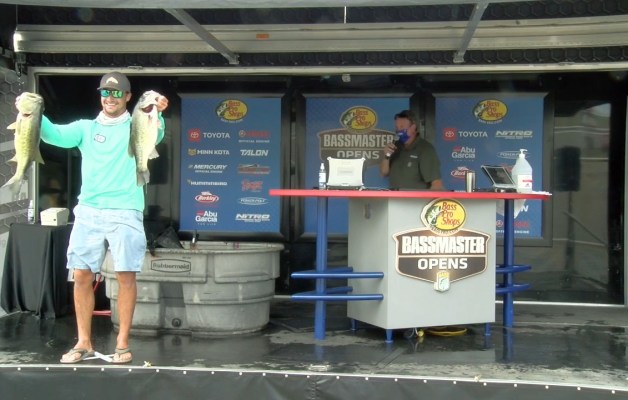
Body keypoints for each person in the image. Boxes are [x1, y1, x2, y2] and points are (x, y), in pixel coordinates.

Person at [37, 71, 169, 364]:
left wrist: (157, 109)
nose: (110, 97)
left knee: (125, 275)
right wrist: (33, 111)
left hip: (126, 209)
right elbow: (51, 134)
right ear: (100, 96)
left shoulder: (138, 122)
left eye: (117, 92)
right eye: (105, 92)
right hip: (89, 210)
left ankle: (122, 343)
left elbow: (157, 133)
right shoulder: (85, 128)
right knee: (81, 275)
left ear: (128, 97)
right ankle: (83, 342)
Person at [380, 109, 444, 190]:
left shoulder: (425, 149)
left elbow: (437, 184)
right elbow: (383, 173)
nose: (399, 130)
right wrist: (386, 156)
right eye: (397, 127)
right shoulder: (395, 146)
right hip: (393, 196)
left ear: (413, 127)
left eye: (402, 127)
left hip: (415, 197)